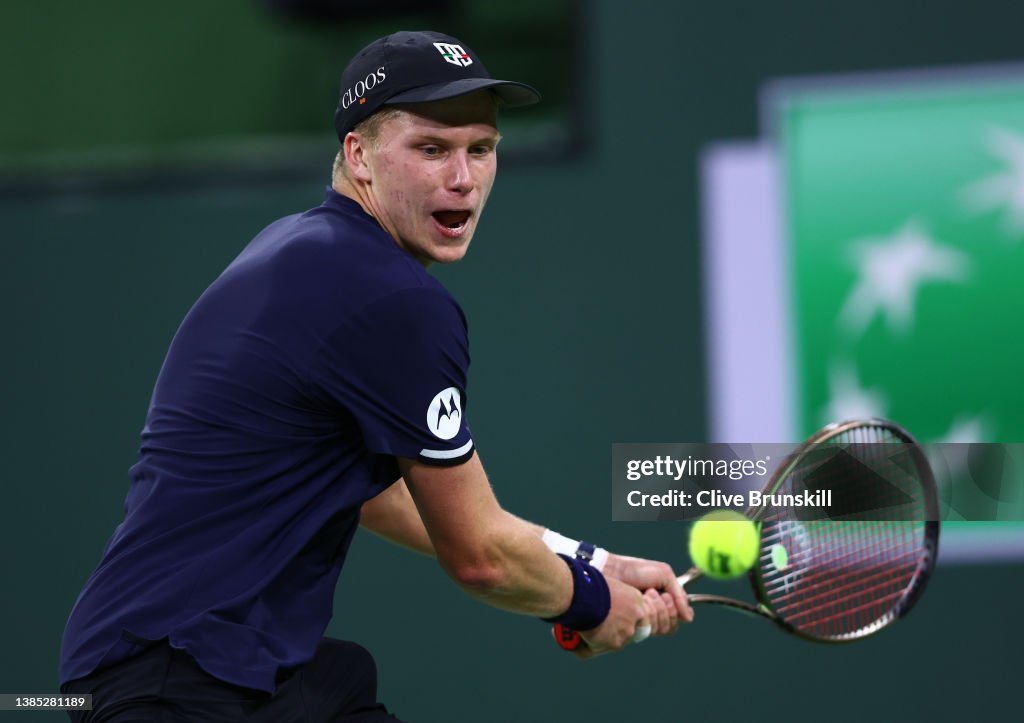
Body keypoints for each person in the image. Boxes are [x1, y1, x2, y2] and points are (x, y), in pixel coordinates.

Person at [59, 30, 693, 722]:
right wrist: (589, 600)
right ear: (359, 155)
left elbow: (374, 493)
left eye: (481, 149)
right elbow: (479, 555)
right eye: (431, 149)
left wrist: (589, 562)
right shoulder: (391, 300)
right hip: (178, 684)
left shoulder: (299, 248)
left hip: (214, 672)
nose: (463, 178)